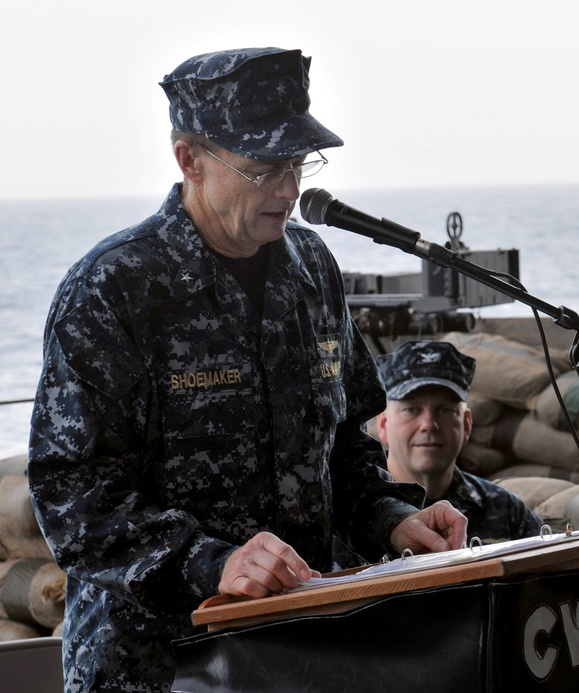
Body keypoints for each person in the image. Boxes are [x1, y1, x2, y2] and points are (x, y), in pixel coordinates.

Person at [26, 48, 467, 693]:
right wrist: (212, 562)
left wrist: (392, 518)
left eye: (298, 164)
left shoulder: (313, 271)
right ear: (189, 160)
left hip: (303, 652)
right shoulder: (114, 288)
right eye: (263, 168)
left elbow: (345, 448)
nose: (289, 189)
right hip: (156, 663)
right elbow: (70, 493)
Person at [375, 341, 544, 543]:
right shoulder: (353, 515)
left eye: (445, 410)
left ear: (466, 425)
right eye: (411, 410)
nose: (429, 424)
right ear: (383, 425)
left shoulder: (505, 511)